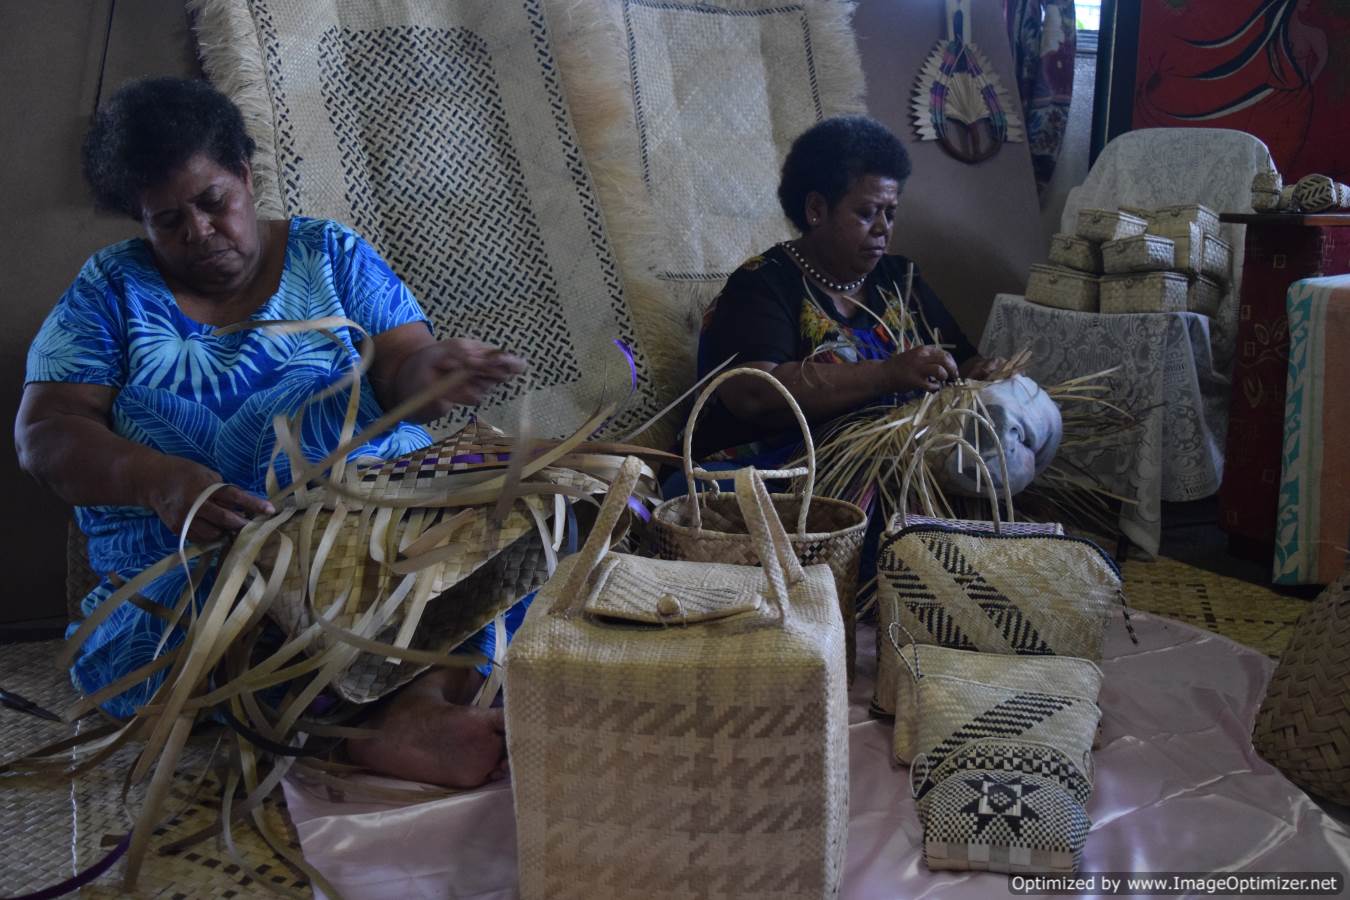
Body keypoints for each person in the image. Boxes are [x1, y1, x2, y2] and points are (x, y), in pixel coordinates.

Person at [15, 77, 524, 789]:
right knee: (196, 639)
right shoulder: (112, 290)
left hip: (379, 546)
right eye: (167, 220)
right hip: (206, 579)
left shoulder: (331, 255)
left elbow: (400, 372)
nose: (198, 231)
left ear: (246, 179)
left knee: (518, 551)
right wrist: (161, 480)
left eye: (212, 202)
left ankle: (410, 706)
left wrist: (432, 373)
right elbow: (45, 431)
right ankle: (379, 718)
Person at [692, 116, 1003, 461]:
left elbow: (959, 359)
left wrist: (980, 373)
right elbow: (756, 393)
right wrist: (886, 374)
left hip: (890, 463)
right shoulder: (762, 282)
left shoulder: (899, 277)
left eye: (891, 212)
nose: (883, 228)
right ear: (816, 210)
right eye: (867, 213)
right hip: (780, 474)